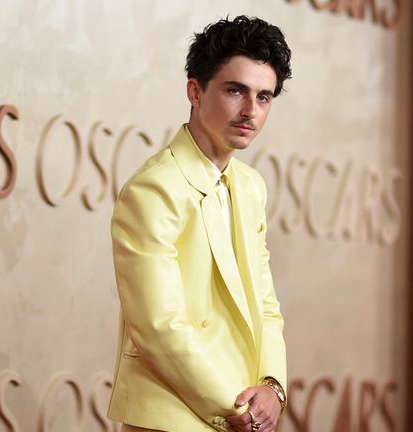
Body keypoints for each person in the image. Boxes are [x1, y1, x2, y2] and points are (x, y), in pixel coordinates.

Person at [106, 15, 292, 432]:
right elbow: (159, 326)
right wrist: (236, 407)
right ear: (195, 90)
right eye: (235, 90)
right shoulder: (153, 189)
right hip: (173, 415)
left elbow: (266, 303)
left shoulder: (250, 187)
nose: (251, 111)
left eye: (264, 97)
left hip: (243, 410)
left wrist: (273, 387)